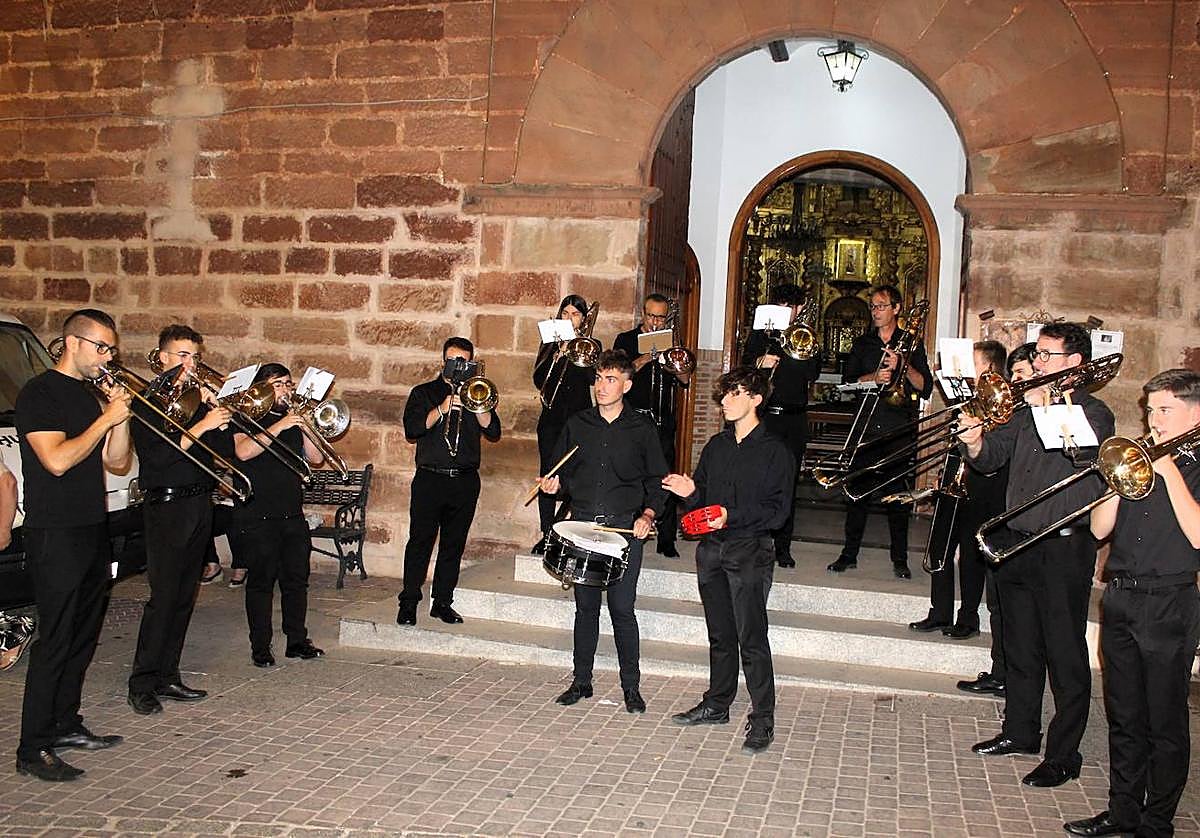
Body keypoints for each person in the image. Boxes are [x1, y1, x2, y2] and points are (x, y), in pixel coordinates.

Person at [960, 322, 1114, 788]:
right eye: (1039, 355)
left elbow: (1084, 459)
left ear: (1074, 363)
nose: (1037, 362)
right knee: (1021, 645)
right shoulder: (1024, 413)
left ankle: (1064, 754)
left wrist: (1050, 410)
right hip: (1016, 541)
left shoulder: (1096, 414)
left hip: (1064, 546)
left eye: (1047, 355)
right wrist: (974, 441)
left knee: (1064, 654)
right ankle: (1019, 731)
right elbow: (992, 459)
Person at [1063, 370, 1200, 838]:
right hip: (1121, 596)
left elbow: (1199, 535)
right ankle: (1122, 813)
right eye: (1149, 409)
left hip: (1169, 602)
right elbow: (1101, 530)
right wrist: (1114, 481)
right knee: (1123, 716)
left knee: (1164, 722)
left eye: (1164, 410)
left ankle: (1156, 822)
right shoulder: (1143, 459)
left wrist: (1171, 475)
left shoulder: (1192, 466)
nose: (1152, 419)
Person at [15, 308, 132, 781]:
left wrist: (118, 416)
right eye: (102, 347)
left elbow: (119, 463)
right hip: (55, 533)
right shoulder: (39, 393)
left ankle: (65, 723)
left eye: (111, 349)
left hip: (91, 528)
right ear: (73, 343)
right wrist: (105, 419)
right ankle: (32, 746)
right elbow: (57, 460)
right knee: (56, 640)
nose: (107, 357)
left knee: (84, 635)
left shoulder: (91, 396)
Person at [663, 367, 794, 754]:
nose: (725, 401)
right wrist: (690, 492)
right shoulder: (716, 447)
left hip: (750, 551)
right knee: (720, 634)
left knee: (751, 637)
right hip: (712, 551)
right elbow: (701, 499)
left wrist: (731, 516)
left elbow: (778, 512)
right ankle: (718, 704)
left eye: (735, 393)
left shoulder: (776, 451)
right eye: (724, 394)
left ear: (756, 399)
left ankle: (762, 718)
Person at [537, 349, 667, 713]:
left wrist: (649, 515)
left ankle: (631, 686)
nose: (601, 386)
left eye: (610, 379)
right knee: (586, 608)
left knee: (623, 609)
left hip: (624, 529)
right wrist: (553, 485)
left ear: (626, 385)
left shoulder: (642, 429)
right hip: (582, 526)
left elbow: (656, 481)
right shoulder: (578, 423)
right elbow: (560, 474)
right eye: (598, 379)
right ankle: (582, 681)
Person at [127, 324, 232, 716]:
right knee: (164, 597)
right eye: (183, 356)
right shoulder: (148, 401)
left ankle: (168, 674)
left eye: (195, 357)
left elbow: (222, 453)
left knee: (185, 597)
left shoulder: (197, 402)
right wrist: (201, 426)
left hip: (199, 503)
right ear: (163, 357)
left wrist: (217, 418)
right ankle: (141, 682)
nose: (191, 364)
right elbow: (157, 458)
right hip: (166, 505)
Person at [829, 285, 933, 579]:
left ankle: (900, 559)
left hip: (898, 430)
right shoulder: (863, 344)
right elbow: (846, 383)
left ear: (896, 309)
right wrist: (872, 378)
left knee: (897, 499)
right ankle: (848, 555)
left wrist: (904, 365)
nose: (875, 312)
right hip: (866, 429)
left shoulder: (911, 342)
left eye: (881, 306)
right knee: (856, 495)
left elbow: (925, 387)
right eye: (873, 307)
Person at [397, 337, 501, 626]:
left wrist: (479, 406)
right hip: (430, 479)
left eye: (464, 362)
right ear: (443, 361)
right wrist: (442, 408)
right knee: (420, 542)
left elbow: (493, 431)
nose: (459, 366)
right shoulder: (424, 392)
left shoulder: (477, 393)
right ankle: (408, 601)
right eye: (454, 361)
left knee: (453, 545)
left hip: (464, 481)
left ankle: (442, 602)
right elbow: (413, 429)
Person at [908, 341, 1008, 638]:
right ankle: (939, 612)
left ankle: (968, 618)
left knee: (970, 555)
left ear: (989, 367)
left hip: (982, 486)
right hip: (955, 477)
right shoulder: (965, 398)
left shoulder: (1001, 403)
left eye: (973, 363)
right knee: (940, 547)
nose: (966, 369)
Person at [230, 363, 326, 667]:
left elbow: (317, 458)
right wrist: (280, 425)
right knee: (260, 583)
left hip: (291, 512)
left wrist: (305, 425)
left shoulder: (291, 420)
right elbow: (243, 453)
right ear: (259, 388)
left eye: (288, 383)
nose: (286, 388)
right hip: (257, 514)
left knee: (296, 580)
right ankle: (260, 646)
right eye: (278, 383)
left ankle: (297, 640)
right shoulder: (242, 417)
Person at [957, 342, 1035, 697]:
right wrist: (975, 440)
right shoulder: (1012, 411)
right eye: (1013, 373)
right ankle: (1001, 670)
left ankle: (1014, 676)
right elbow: (990, 456)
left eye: (1020, 375)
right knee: (999, 602)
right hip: (997, 507)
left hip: (1019, 514)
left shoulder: (1035, 415)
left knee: (1016, 608)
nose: (1013, 382)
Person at [742, 283, 821, 567]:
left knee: (788, 483)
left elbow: (814, 372)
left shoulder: (805, 336)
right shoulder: (760, 335)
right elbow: (744, 369)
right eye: (782, 305)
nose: (788, 311)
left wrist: (796, 349)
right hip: (765, 417)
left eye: (792, 306)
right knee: (757, 480)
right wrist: (760, 360)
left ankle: (783, 546)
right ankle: (754, 539)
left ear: (799, 309)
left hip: (794, 419)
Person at [613, 293, 691, 558]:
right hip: (634, 420)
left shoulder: (672, 341)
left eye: (660, 317)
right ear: (642, 314)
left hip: (662, 420)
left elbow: (684, 379)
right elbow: (621, 373)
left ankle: (666, 539)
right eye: (651, 315)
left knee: (666, 477)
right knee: (631, 475)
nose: (655, 321)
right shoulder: (626, 340)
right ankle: (629, 532)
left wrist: (674, 361)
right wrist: (647, 356)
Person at [532, 295, 596, 554]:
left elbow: (592, 377)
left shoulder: (590, 344)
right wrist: (557, 354)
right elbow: (538, 380)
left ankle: (560, 526)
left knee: (577, 477)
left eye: (575, 314)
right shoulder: (549, 343)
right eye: (565, 313)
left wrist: (574, 348)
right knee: (547, 475)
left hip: (579, 420)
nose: (569, 318)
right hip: (551, 420)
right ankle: (546, 533)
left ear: (583, 320)